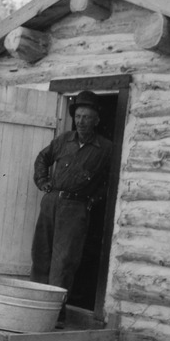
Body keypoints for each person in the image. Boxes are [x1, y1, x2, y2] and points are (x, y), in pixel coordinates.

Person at [30, 90, 112, 324]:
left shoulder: (106, 148)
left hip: (76, 208)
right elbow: (42, 158)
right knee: (41, 253)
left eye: (87, 117)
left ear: (96, 120)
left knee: (64, 260)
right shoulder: (63, 140)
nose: (81, 121)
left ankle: (54, 313)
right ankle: (35, 306)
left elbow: (110, 181)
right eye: (78, 117)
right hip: (51, 201)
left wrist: (93, 200)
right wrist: (43, 181)